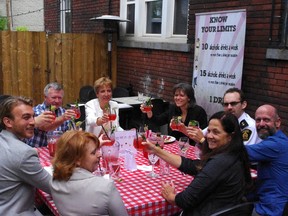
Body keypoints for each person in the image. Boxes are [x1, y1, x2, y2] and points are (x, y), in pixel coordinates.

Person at [143, 111, 252, 215]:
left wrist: (170, 196)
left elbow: (184, 201)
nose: (209, 136)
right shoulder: (235, 155)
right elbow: (192, 165)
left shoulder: (221, 162)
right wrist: (156, 150)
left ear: (230, 137)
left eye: (216, 132)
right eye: (208, 131)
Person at [50, 130, 128, 216]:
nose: (99, 155)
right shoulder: (106, 187)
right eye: (93, 153)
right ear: (77, 160)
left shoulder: (54, 182)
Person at [0, 96, 51, 215]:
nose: (33, 122)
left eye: (33, 116)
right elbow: (54, 187)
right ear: (8, 122)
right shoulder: (24, 153)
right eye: (26, 117)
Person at [245, 104, 288, 216]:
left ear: (277, 122)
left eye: (266, 120)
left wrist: (203, 140)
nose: (261, 124)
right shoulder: (280, 140)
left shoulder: (275, 144)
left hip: (271, 209)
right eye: (258, 120)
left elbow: (239, 152)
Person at [186, 87, 261, 145]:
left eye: (233, 104)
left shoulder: (249, 126)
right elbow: (201, 134)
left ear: (243, 105)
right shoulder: (222, 118)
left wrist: (203, 141)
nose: (229, 107)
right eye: (226, 104)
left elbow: (240, 153)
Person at [141, 83, 207, 143]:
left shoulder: (199, 112)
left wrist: (184, 129)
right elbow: (158, 121)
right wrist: (149, 112)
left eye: (181, 95)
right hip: (173, 145)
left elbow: (203, 136)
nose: (178, 98)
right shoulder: (173, 108)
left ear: (189, 98)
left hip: (192, 147)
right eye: (176, 95)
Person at [28, 82, 76, 147]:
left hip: (59, 152)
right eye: (54, 97)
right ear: (45, 97)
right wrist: (63, 118)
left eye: (60, 98)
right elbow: (46, 127)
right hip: (38, 151)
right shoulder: (36, 111)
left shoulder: (64, 112)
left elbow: (71, 133)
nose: (57, 101)